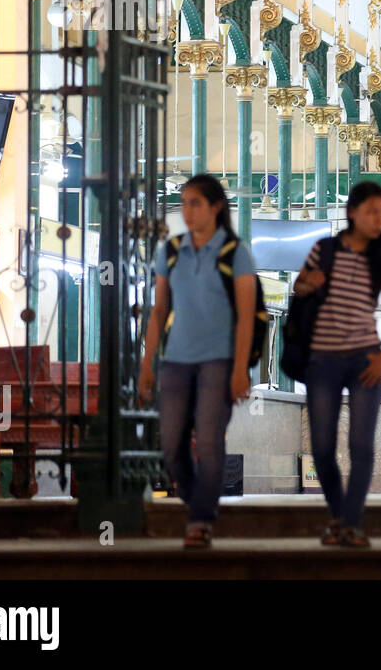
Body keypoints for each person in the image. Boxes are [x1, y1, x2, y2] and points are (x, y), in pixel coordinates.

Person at [140, 174, 257, 549]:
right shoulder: (171, 250)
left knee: (208, 442)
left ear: (216, 207)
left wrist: (240, 370)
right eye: (184, 203)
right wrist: (147, 362)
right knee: (171, 445)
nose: (187, 211)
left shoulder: (235, 252)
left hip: (218, 362)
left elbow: (245, 314)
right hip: (175, 361)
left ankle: (201, 520)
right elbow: (159, 311)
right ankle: (198, 504)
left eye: (195, 203)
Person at [294, 180, 381, 548]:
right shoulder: (324, 250)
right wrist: (310, 283)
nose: (379, 219)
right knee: (323, 449)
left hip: (364, 360)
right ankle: (340, 518)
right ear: (353, 212)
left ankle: (350, 523)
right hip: (322, 360)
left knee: (361, 446)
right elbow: (298, 288)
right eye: (373, 211)